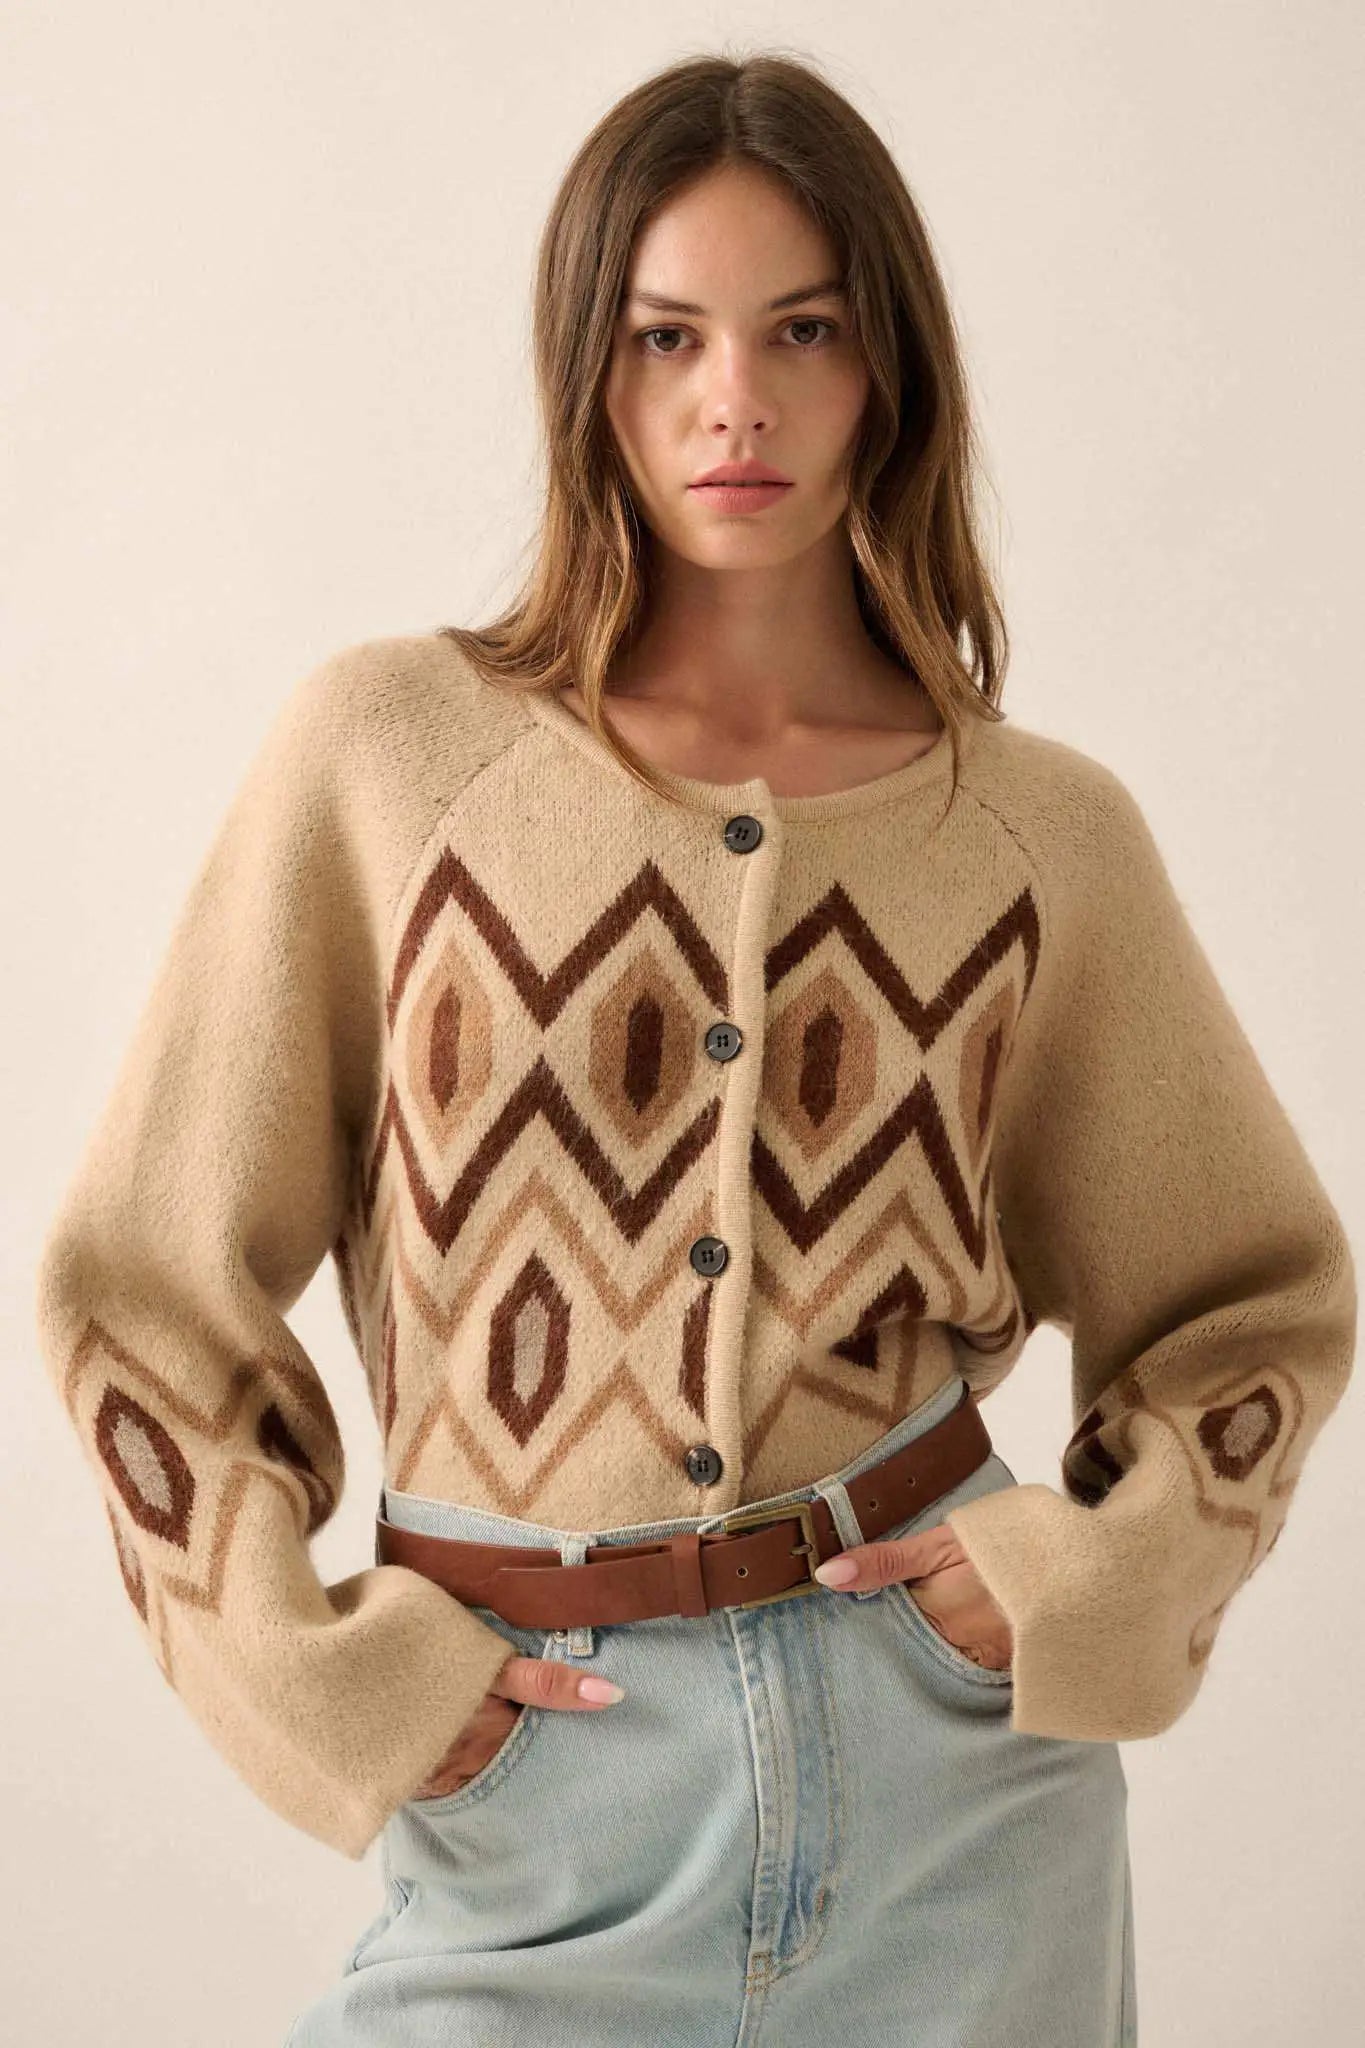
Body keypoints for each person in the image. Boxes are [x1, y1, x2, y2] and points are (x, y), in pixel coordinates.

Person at [33, 50, 1355, 2048]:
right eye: (667, 338)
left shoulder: (1033, 837)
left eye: (799, 331)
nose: (733, 402)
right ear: (589, 370)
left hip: (954, 1791)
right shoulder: (389, 762)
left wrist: (1083, 1582)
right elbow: (141, 1293)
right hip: (533, 1800)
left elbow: (1251, 1308)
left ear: (886, 368)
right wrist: (311, 1673)